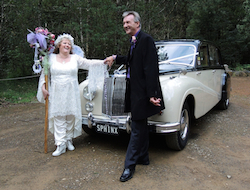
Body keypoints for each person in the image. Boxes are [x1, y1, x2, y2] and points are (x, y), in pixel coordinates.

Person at [105, 11, 165, 182]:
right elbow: (132, 61)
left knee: (137, 130)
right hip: (135, 91)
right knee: (142, 125)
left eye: (128, 22)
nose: (125, 25)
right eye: (124, 23)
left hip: (143, 93)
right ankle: (143, 157)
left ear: (137, 23)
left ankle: (129, 166)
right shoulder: (134, 41)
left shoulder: (146, 40)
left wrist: (152, 94)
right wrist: (115, 58)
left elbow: (151, 68)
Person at [37, 34, 105, 156]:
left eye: (69, 44)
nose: (67, 45)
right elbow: (45, 74)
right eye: (64, 43)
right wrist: (43, 87)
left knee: (70, 115)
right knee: (58, 116)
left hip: (71, 90)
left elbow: (89, 63)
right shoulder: (50, 58)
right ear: (58, 45)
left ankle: (68, 139)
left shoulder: (75, 58)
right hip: (57, 90)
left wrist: (104, 61)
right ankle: (60, 144)